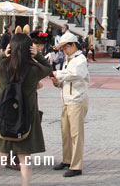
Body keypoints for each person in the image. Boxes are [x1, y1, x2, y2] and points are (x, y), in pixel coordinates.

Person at [0, 33, 52, 186]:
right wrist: (38, 56)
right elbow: (48, 69)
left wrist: (3, 54)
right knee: (25, 159)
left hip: (4, 117)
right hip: (26, 118)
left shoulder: (2, 67)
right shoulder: (34, 70)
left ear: (12, 47)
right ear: (29, 49)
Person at [50, 31, 90, 178]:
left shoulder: (80, 59)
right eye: (62, 49)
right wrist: (57, 82)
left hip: (77, 100)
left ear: (73, 45)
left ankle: (76, 165)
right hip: (67, 99)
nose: (64, 51)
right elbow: (66, 80)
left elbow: (76, 75)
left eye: (65, 48)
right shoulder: (69, 59)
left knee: (76, 134)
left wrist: (57, 74)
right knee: (66, 133)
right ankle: (67, 159)